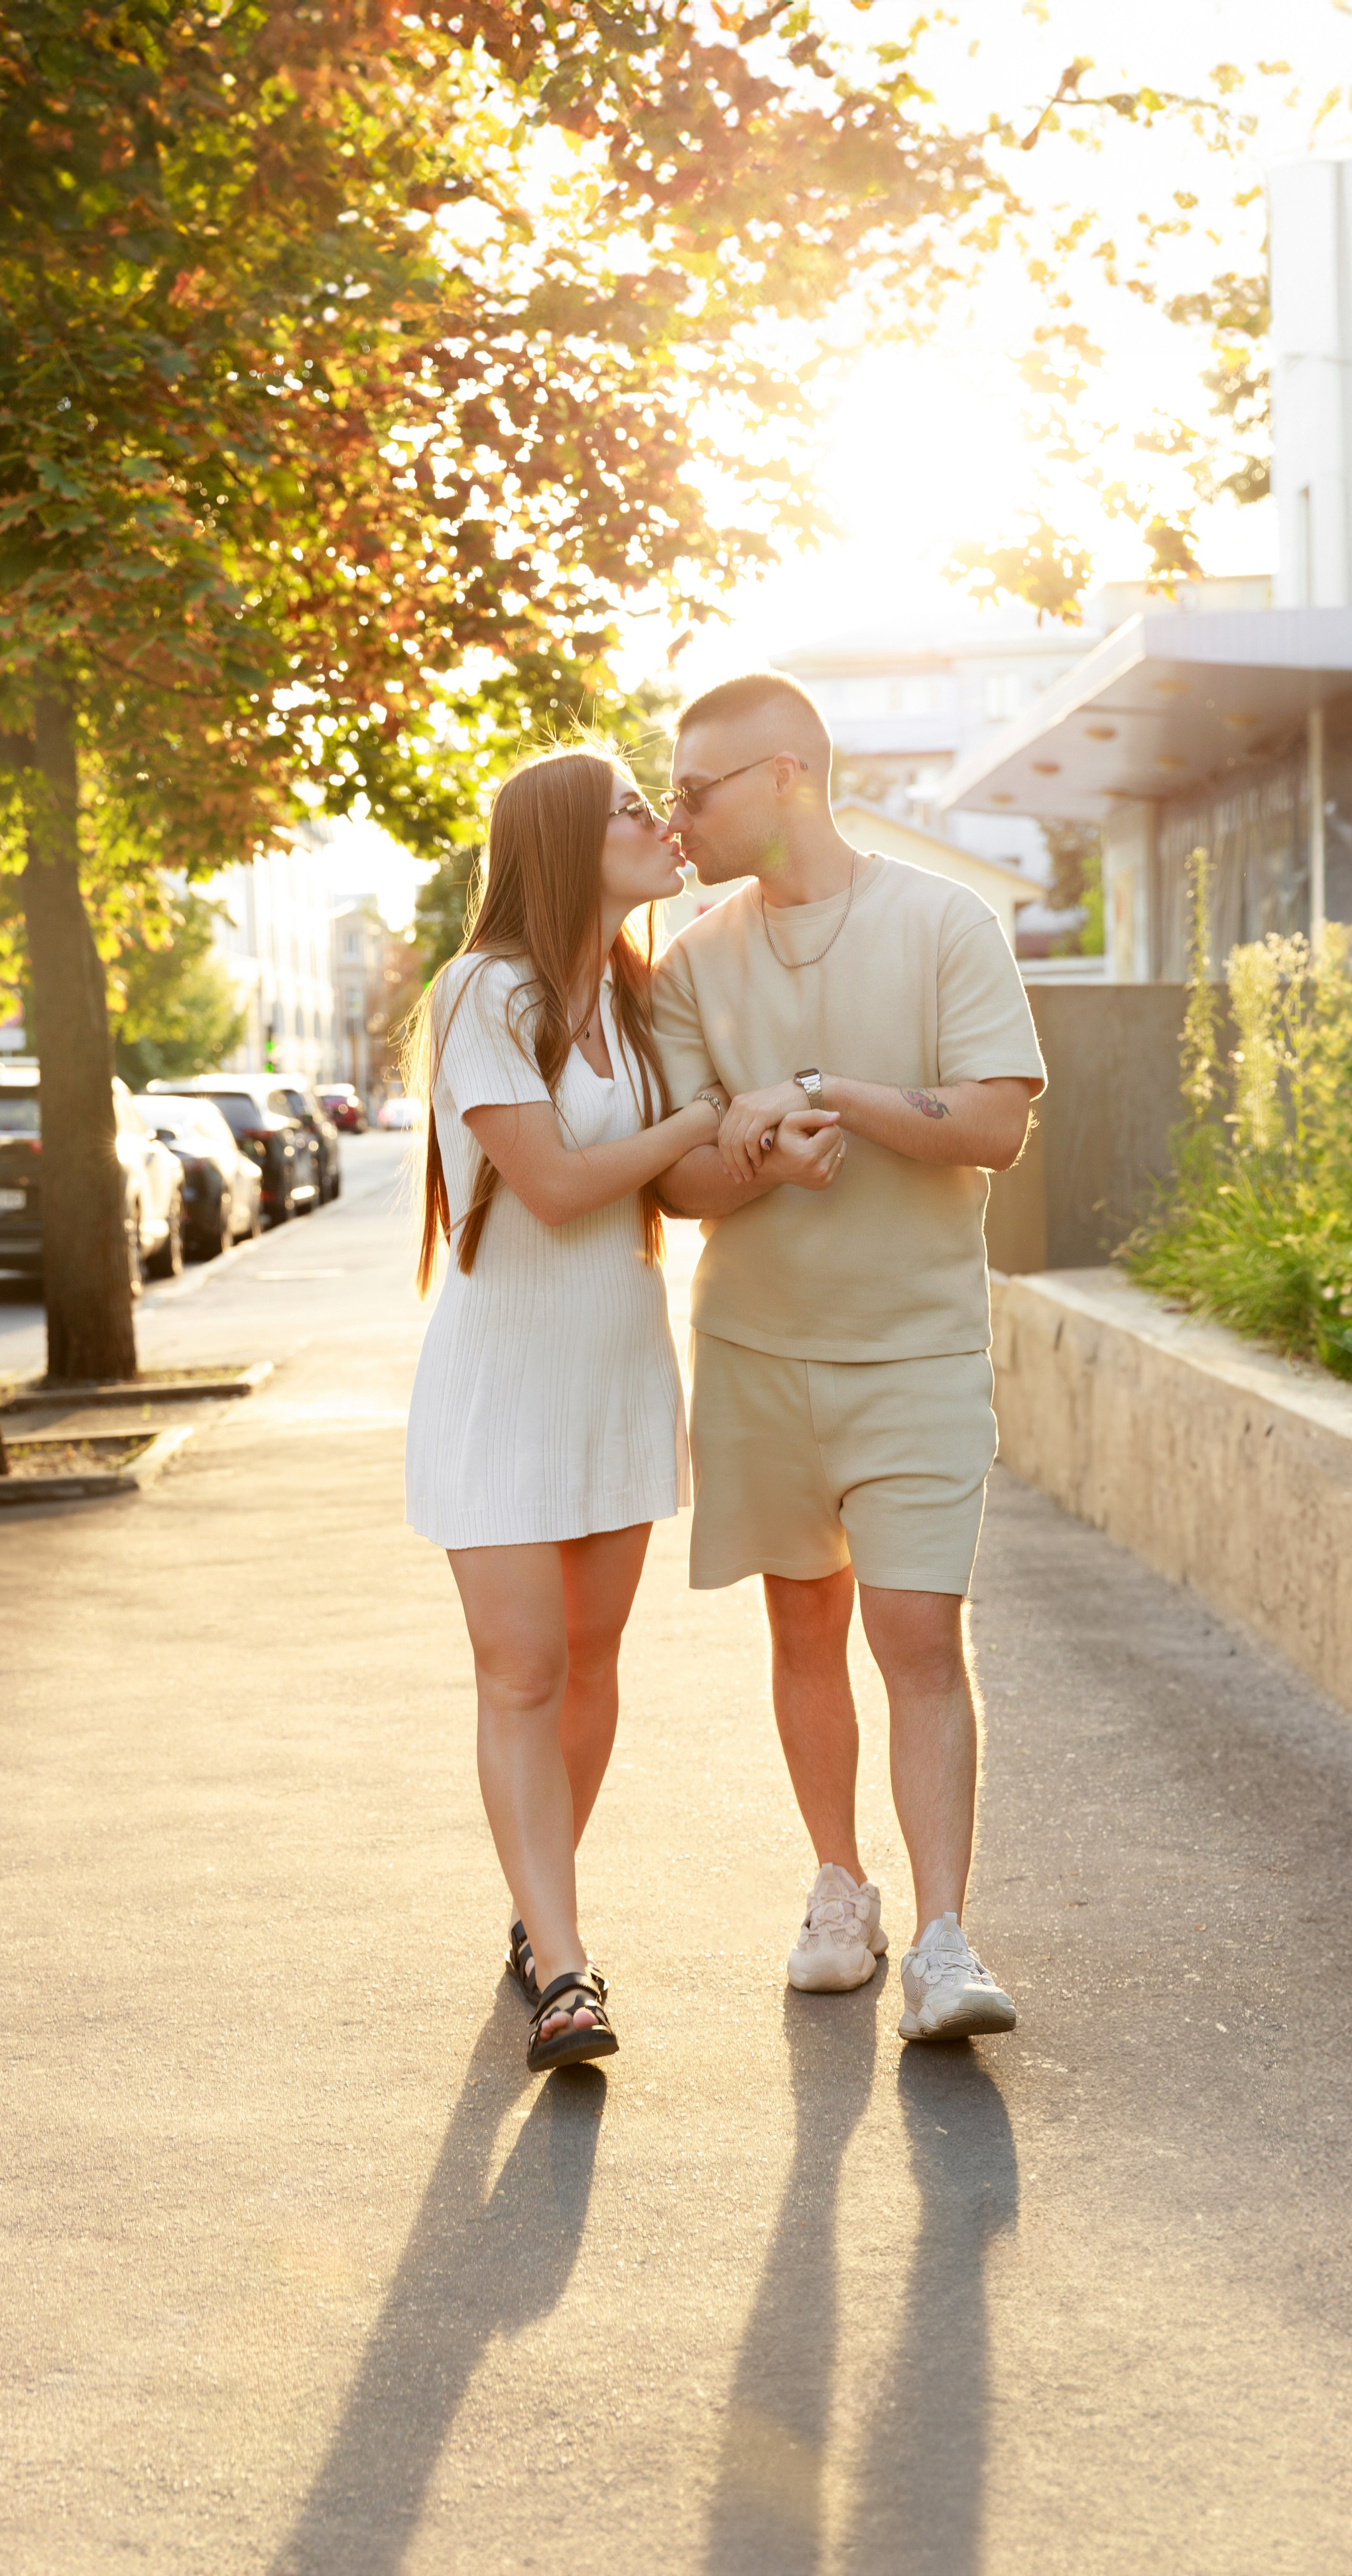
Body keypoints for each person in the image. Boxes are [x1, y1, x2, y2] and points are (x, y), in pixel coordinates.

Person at [404, 747, 843, 2073]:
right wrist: (705, 1116)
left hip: (615, 1376)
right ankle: (566, 1971)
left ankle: (537, 1914)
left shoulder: (640, 996)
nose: (663, 822)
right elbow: (549, 1186)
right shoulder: (485, 991)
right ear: (560, 842)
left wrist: (760, 1151)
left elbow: (673, 1191)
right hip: (501, 1386)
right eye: (632, 809)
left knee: (589, 1666)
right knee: (520, 1671)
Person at [650, 671, 1046, 2043]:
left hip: (916, 1348)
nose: (675, 818)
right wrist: (761, 1156)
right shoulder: (689, 960)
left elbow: (993, 1124)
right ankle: (841, 1890)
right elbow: (679, 1182)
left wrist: (826, 1094)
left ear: (784, 777)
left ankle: (942, 1938)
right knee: (801, 1627)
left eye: (693, 792)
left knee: (918, 1634)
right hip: (755, 1347)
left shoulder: (944, 921)